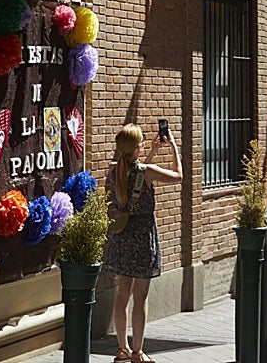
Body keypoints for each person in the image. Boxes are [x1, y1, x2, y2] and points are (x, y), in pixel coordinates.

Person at [103, 123, 181, 363]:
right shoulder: (148, 171)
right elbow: (179, 176)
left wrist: (152, 154)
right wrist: (174, 147)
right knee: (141, 298)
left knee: (122, 294)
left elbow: (131, 182)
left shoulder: (114, 171)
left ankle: (122, 348)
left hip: (122, 237)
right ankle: (138, 352)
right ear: (136, 148)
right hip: (143, 237)